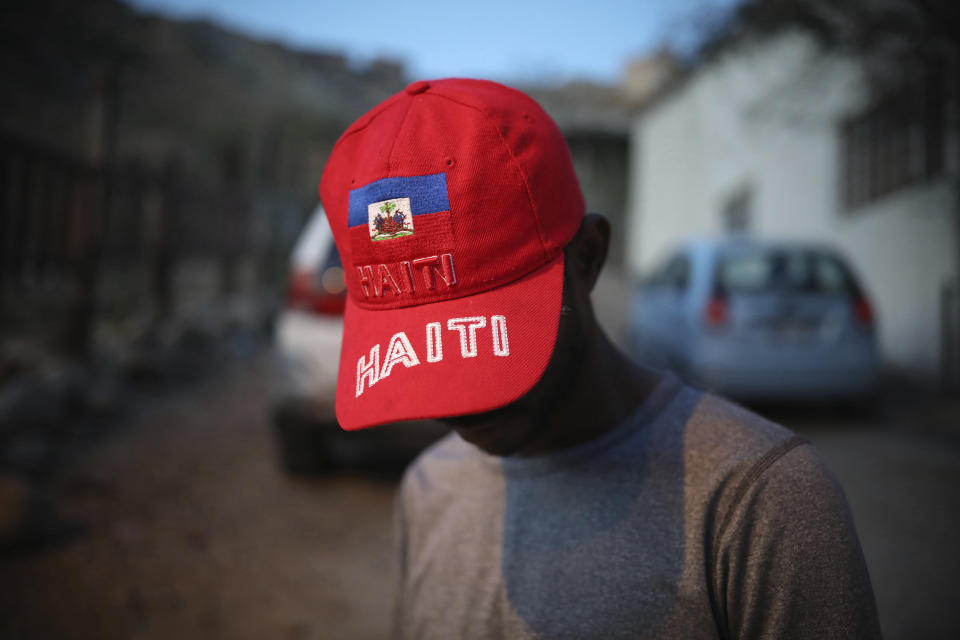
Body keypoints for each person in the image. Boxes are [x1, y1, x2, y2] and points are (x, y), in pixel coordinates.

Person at [319, 78, 882, 639]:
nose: (458, 407)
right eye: (417, 354)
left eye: (481, 342)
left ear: (588, 258)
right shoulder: (428, 489)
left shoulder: (760, 501)